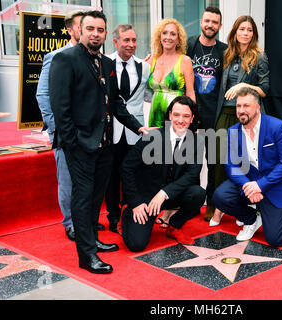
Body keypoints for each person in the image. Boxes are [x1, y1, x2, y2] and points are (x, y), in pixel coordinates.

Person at [49, 11, 149, 274]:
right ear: (79, 31)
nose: (95, 33)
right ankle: (87, 256)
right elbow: (61, 108)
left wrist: (138, 127)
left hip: (105, 144)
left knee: (96, 198)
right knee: (82, 198)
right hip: (79, 145)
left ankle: (91, 239)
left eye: (100, 29)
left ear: (106, 34)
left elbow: (115, 102)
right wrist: (72, 143)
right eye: (90, 28)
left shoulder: (106, 63)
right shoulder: (64, 59)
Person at [212, 88, 282, 246]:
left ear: (257, 107)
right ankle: (251, 219)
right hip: (249, 183)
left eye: (246, 106)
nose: (241, 110)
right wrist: (247, 185)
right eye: (238, 106)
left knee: (276, 239)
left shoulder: (278, 127)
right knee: (220, 197)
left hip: (275, 185)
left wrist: (260, 185)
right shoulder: (233, 131)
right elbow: (231, 165)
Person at [121, 95, 205, 252]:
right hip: (144, 198)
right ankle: (126, 212)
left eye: (186, 116)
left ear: (192, 118)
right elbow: (126, 167)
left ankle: (174, 226)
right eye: (177, 115)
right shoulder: (152, 137)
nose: (181, 120)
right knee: (136, 245)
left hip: (168, 196)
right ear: (170, 115)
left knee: (198, 193)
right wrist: (135, 202)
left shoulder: (197, 142)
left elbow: (192, 175)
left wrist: (164, 193)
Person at [212, 15, 270, 223]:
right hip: (225, 112)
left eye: (249, 30)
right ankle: (218, 208)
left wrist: (242, 88)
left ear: (253, 34)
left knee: (242, 161)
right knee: (219, 159)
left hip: (246, 115)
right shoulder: (228, 54)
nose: (245, 33)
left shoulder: (259, 56)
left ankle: (240, 206)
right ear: (235, 32)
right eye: (242, 29)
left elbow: (264, 89)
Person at [36, 10, 84, 241]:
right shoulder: (57, 56)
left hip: (86, 131)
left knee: (85, 179)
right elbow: (42, 94)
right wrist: (56, 127)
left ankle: (85, 220)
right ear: (70, 29)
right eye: (81, 26)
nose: (86, 30)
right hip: (64, 131)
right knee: (67, 179)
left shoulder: (90, 56)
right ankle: (70, 223)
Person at [105, 23, 151, 233]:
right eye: (126, 40)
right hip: (112, 129)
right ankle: (113, 216)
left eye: (134, 40)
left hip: (136, 129)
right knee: (112, 175)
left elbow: (148, 94)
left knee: (133, 173)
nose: (131, 44)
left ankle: (130, 213)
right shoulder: (106, 63)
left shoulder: (145, 66)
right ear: (115, 42)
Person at [186, 7, 228, 221]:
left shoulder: (225, 51)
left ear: (219, 26)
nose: (210, 25)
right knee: (189, 162)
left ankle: (212, 204)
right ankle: (191, 204)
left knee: (213, 163)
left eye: (215, 22)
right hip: (190, 115)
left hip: (214, 115)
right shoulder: (189, 45)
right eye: (207, 21)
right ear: (201, 21)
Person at [146, 18, 195, 128]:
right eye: (164, 33)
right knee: (155, 144)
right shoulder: (152, 59)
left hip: (177, 117)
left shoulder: (185, 61)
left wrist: (193, 122)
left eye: (173, 34)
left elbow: (190, 93)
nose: (168, 37)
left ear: (178, 39)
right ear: (159, 37)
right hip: (154, 115)